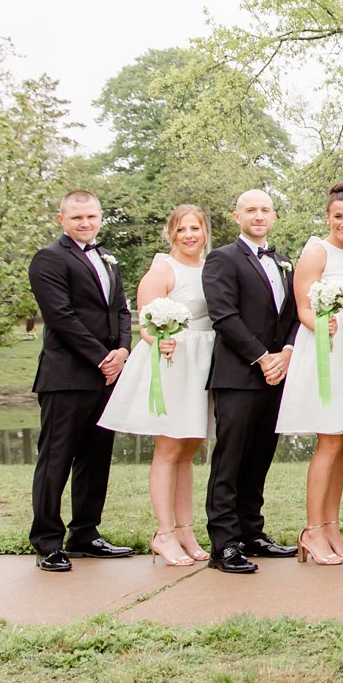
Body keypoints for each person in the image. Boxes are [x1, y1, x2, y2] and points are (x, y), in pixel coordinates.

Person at [99, 204, 216, 566]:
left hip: (203, 360)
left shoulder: (211, 267)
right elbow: (146, 323)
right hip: (171, 361)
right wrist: (158, 341)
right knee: (168, 448)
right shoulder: (162, 269)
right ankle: (163, 533)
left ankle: (185, 529)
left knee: (189, 449)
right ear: (171, 232)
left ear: (205, 231)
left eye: (195, 228)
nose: (189, 235)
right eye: (182, 229)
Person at [27, 189, 135, 572]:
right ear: (62, 219)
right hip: (67, 376)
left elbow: (121, 309)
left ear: (100, 216)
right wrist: (100, 358)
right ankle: (47, 542)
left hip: (107, 377)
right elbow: (61, 317)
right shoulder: (49, 259)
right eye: (77, 218)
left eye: (91, 216)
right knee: (55, 459)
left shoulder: (108, 258)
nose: (85, 223)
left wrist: (123, 351)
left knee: (95, 458)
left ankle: (85, 534)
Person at [275, 182, 343, 566]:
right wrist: (321, 325)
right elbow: (301, 307)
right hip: (326, 348)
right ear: (327, 217)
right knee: (329, 440)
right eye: (338, 217)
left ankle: (332, 525)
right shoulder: (316, 251)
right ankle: (312, 529)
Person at [202, 189, 300, 574]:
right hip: (239, 374)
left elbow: (294, 315)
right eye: (251, 210)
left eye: (265, 210)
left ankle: (251, 532)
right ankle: (223, 544)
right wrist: (262, 358)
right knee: (230, 460)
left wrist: (287, 354)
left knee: (260, 457)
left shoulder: (284, 262)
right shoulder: (222, 259)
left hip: (278, 375)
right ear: (236, 215)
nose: (259, 216)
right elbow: (224, 316)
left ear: (274, 216)